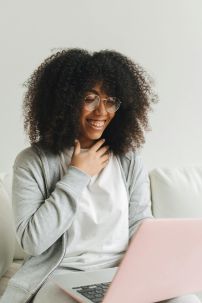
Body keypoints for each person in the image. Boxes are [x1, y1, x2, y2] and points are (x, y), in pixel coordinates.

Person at [0, 49, 200, 303]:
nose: (101, 111)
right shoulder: (33, 162)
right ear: (66, 101)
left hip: (123, 275)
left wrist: (164, 266)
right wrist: (77, 174)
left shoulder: (128, 158)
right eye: (90, 98)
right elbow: (33, 243)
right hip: (60, 279)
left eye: (110, 100)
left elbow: (141, 225)